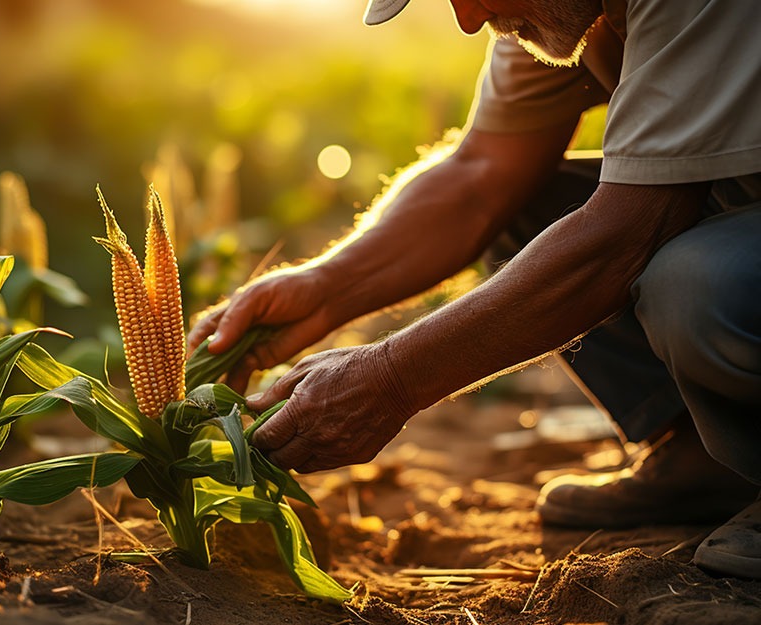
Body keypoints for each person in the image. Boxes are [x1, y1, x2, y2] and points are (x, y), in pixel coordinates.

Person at [187, 0, 761, 579]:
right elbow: (481, 177)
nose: (467, 18)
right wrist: (324, 286)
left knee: (699, 281)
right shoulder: (556, 11)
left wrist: (391, 378)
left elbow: (627, 234)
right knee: (533, 212)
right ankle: (710, 458)